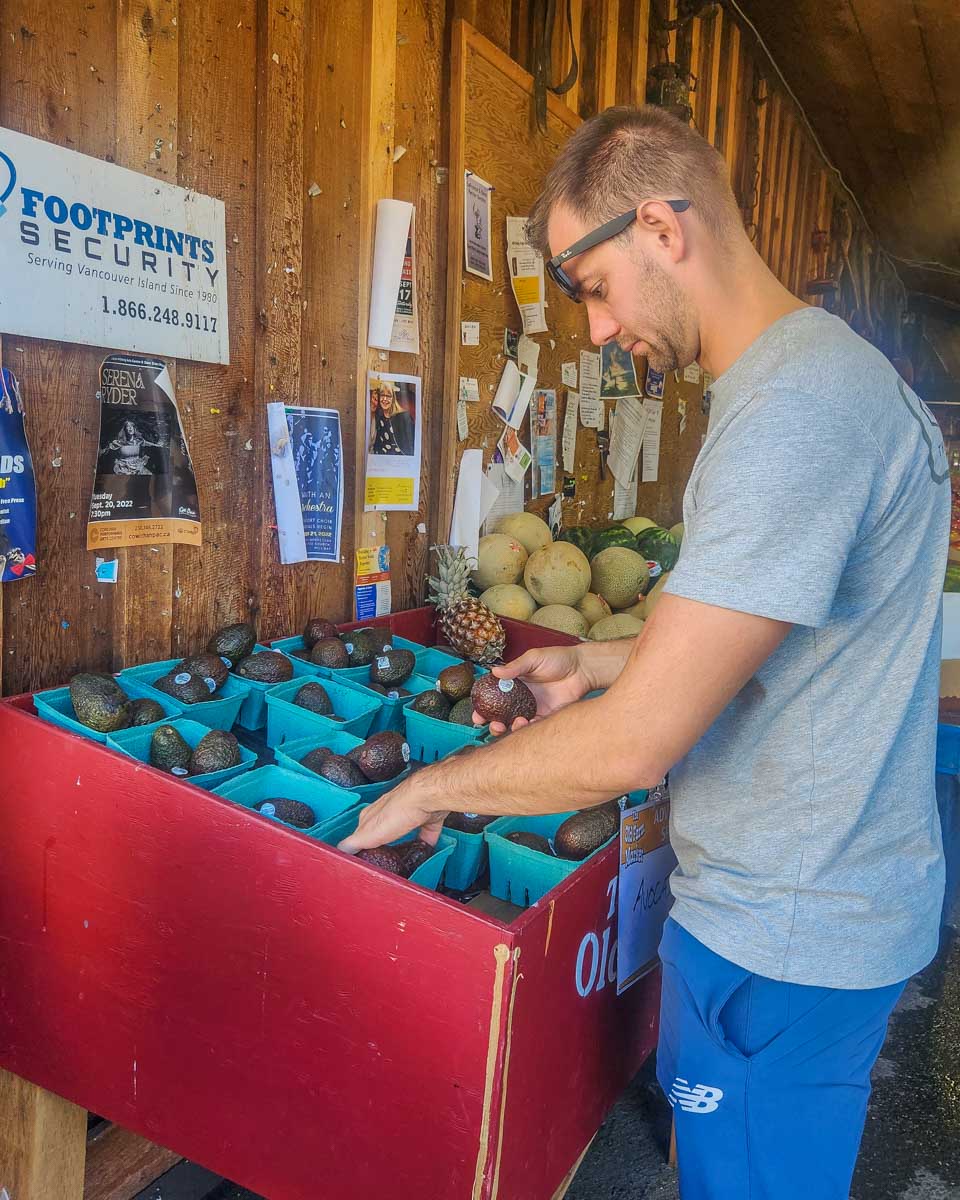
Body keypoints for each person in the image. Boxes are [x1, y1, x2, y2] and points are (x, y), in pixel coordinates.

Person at [339, 106, 949, 1198]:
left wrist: (430, 788)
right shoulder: (811, 381)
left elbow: (636, 746)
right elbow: (756, 639)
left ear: (663, 229)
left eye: (594, 287)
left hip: (786, 936)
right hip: (800, 913)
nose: (595, 330)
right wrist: (592, 666)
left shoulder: (797, 414)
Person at [98, 419, 163, 475]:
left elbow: (149, 443)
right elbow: (108, 448)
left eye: (132, 426)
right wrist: (102, 451)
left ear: (134, 428)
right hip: (124, 467)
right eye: (128, 426)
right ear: (125, 429)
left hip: (137, 466)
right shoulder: (120, 442)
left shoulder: (139, 440)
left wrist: (158, 445)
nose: (130, 428)